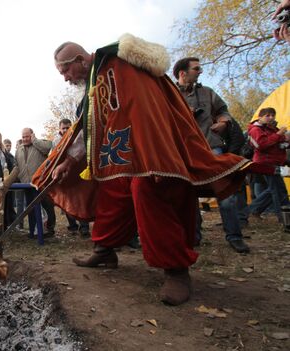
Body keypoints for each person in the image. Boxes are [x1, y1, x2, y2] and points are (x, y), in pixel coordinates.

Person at [44, 35, 248, 305]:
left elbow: (145, 106)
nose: (66, 78)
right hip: (119, 154)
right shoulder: (93, 83)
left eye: (66, 70)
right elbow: (89, 129)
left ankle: (176, 270)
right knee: (112, 196)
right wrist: (69, 161)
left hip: (151, 148)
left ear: (80, 60)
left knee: (151, 192)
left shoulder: (121, 61)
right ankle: (105, 250)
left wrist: (151, 151)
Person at [174, 57, 250, 254]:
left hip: (211, 149)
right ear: (182, 73)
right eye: (196, 68)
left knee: (225, 192)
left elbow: (224, 111)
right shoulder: (169, 94)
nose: (200, 72)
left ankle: (234, 236)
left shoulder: (207, 93)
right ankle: (193, 237)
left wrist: (223, 122)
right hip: (182, 153)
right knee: (187, 194)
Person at [247, 107, 290, 222]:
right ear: (260, 117)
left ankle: (253, 209)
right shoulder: (255, 130)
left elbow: (277, 143)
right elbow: (261, 145)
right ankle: (285, 218)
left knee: (272, 189)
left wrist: (286, 141)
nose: (271, 117)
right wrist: (279, 134)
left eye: (273, 115)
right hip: (265, 163)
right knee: (279, 190)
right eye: (268, 115)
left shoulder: (271, 128)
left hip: (274, 162)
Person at [15, 127, 56, 237]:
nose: (25, 139)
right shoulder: (19, 149)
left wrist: (35, 141)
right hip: (27, 184)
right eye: (23, 137)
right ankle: (32, 231)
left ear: (32, 135)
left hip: (41, 183)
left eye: (27, 136)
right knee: (30, 208)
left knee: (47, 205)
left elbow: (48, 147)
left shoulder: (39, 144)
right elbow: (16, 166)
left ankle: (50, 229)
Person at [52, 118, 90, 236]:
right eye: (63, 128)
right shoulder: (56, 141)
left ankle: (84, 227)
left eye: (67, 127)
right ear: (59, 129)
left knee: (81, 199)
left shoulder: (77, 137)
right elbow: (53, 156)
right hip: (63, 174)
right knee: (67, 200)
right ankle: (72, 224)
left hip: (78, 173)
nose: (65, 130)